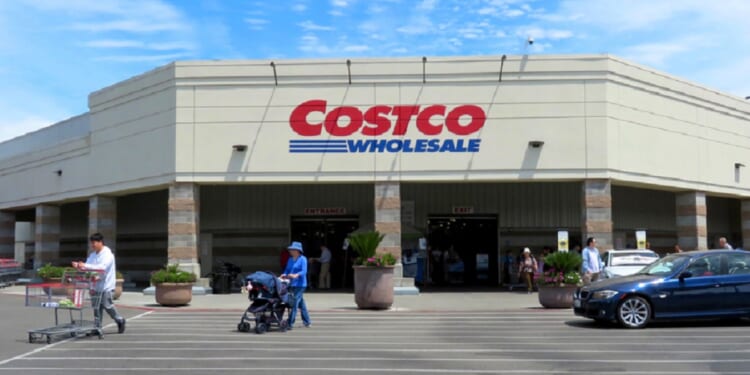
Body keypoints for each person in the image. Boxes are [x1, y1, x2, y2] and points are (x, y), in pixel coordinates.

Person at [71, 233, 125, 334]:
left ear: (100, 242)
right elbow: (87, 268)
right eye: (92, 243)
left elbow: (102, 267)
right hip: (95, 285)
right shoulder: (92, 255)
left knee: (107, 305)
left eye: (94, 243)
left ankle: (120, 320)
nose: (93, 245)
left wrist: (85, 265)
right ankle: (97, 327)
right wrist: (79, 266)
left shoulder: (108, 255)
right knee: (96, 307)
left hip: (106, 285)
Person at [281, 241, 311, 329]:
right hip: (292, 284)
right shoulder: (290, 259)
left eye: (292, 249)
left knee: (294, 303)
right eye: (290, 249)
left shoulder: (303, 259)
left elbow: (304, 271)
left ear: (297, 251)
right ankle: (307, 321)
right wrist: (284, 274)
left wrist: (295, 275)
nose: (290, 251)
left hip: (300, 284)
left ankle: (290, 323)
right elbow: (287, 270)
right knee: (301, 303)